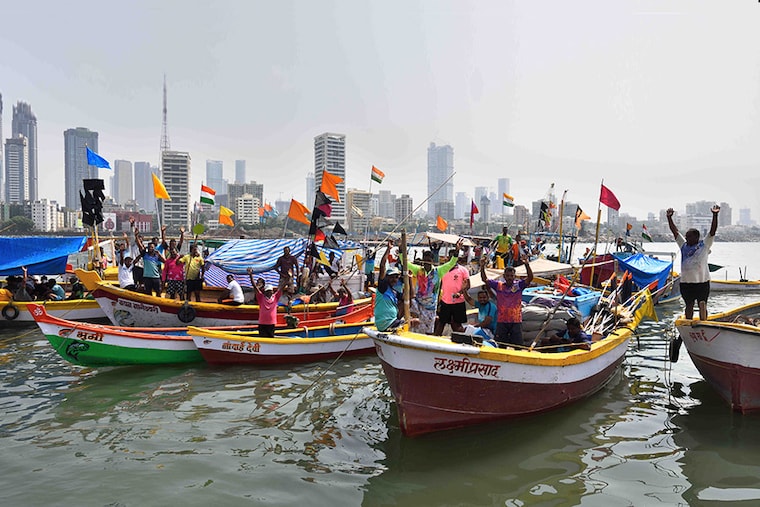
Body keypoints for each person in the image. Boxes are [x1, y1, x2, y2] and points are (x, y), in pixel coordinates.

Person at [667, 205, 720, 320]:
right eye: (686, 237)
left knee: (702, 305)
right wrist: (669, 217)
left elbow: (712, 231)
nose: (686, 239)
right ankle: (688, 324)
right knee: (689, 305)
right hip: (686, 283)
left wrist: (715, 215)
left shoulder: (704, 245)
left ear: (696, 237)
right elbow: (675, 231)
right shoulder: (683, 245)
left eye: (689, 237)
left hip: (702, 282)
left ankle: (704, 324)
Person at [480, 253, 533, 348]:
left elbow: (530, 278)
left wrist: (527, 264)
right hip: (502, 321)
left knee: (518, 346)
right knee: (500, 345)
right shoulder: (498, 285)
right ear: (504, 276)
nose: (509, 278)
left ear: (514, 276)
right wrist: (482, 266)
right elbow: (485, 279)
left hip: (515, 321)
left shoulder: (518, 285)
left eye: (511, 276)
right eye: (507, 276)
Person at [407, 241, 461, 334]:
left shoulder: (438, 271)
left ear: (432, 261)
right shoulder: (418, 270)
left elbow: (451, 264)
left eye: (428, 260)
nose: (426, 263)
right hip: (418, 304)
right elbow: (406, 264)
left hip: (431, 306)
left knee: (429, 330)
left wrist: (456, 251)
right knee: (415, 327)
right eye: (425, 260)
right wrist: (401, 251)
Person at [434, 250, 471, 336]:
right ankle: (435, 341)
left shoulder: (463, 270)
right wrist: (437, 301)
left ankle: (461, 341)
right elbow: (439, 286)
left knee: (457, 325)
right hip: (444, 301)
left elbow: (468, 285)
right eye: (450, 257)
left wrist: (460, 293)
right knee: (441, 322)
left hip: (458, 302)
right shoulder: (443, 269)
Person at [374, 246, 403, 332]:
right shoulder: (383, 287)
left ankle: (397, 320)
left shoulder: (394, 292)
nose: (394, 279)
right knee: (411, 323)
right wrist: (388, 249)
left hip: (393, 321)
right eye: (391, 277)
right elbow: (382, 265)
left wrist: (409, 278)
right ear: (387, 277)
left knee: (406, 301)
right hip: (385, 324)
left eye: (396, 277)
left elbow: (410, 296)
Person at [247, 268, 281, 336]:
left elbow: (282, 286)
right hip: (262, 323)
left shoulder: (275, 297)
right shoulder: (261, 297)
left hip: (271, 323)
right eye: (267, 291)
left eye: (270, 291)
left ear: (272, 291)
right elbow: (254, 286)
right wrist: (251, 275)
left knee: (270, 339)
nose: (269, 293)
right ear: (265, 292)